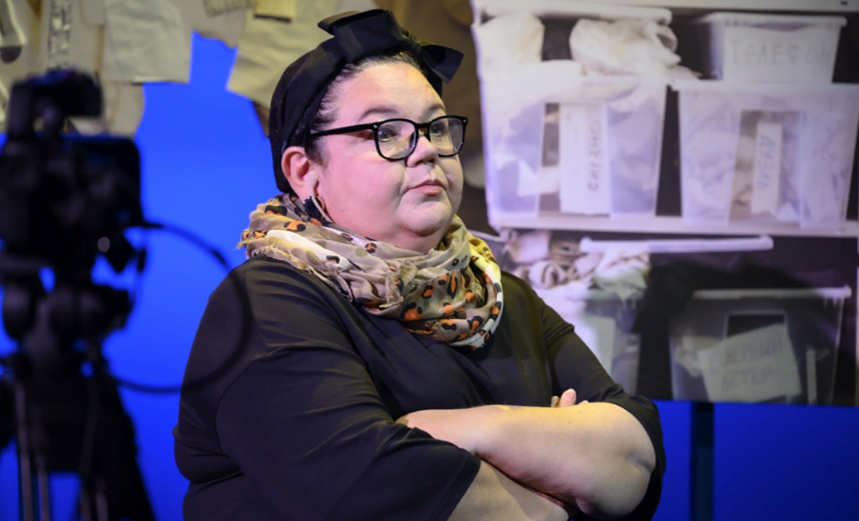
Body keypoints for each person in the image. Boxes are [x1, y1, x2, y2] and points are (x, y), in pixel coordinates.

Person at [174, 9, 665, 521]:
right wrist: (560, 471)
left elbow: (637, 458)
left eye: (436, 126)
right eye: (387, 132)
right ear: (305, 171)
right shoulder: (267, 300)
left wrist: (473, 430)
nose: (427, 149)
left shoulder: (499, 294)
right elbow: (370, 491)